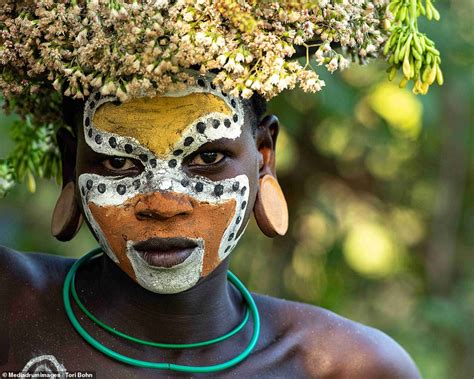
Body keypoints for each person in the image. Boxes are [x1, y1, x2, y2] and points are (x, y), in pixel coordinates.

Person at [0, 0, 441, 376]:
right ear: (69, 166)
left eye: (207, 158)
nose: (163, 203)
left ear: (263, 157)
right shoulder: (11, 309)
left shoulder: (345, 367)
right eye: (119, 162)